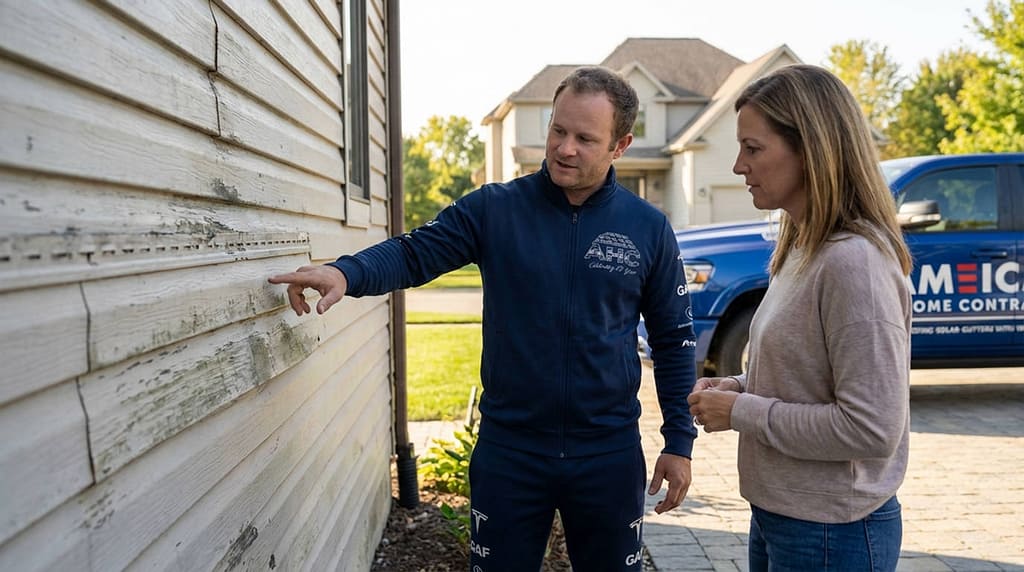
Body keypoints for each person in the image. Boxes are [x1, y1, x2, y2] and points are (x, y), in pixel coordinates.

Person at [268, 65, 698, 571]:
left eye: (585, 138)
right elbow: (413, 254)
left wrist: (678, 441)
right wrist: (347, 272)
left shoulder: (647, 228)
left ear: (619, 146)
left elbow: (673, 339)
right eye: (558, 130)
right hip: (510, 453)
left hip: (607, 454)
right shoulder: (496, 209)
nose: (564, 148)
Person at [686, 64, 913, 571]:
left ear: (810, 149)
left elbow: (872, 428)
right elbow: (808, 375)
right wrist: (742, 387)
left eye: (753, 148)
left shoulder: (854, 263)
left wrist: (743, 413)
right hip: (783, 517)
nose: (738, 166)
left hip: (833, 532)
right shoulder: (803, 248)